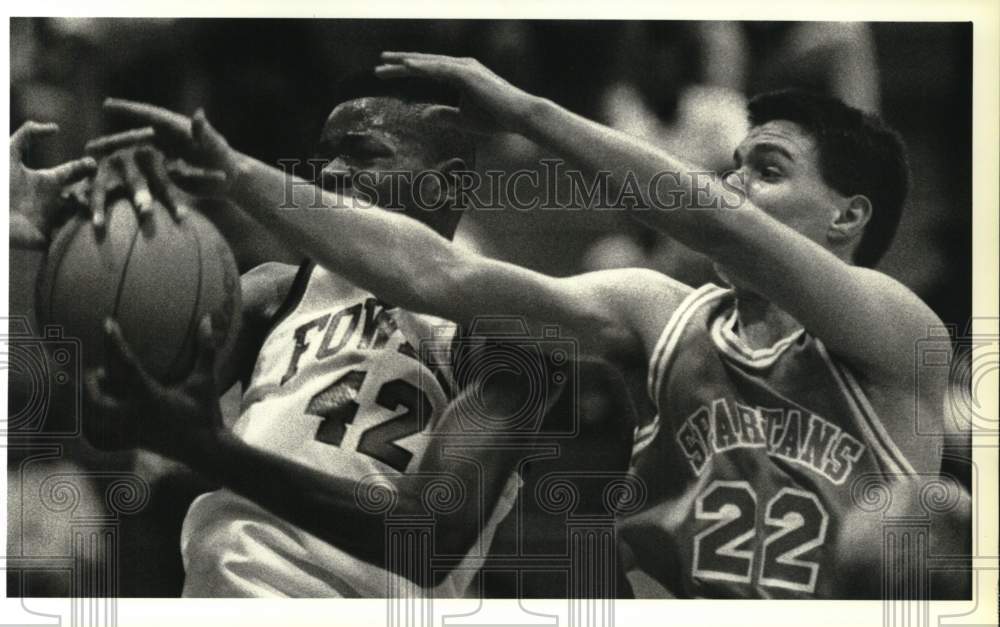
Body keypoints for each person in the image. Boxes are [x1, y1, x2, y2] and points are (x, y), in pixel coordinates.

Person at [100, 50, 949, 599]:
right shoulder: (662, 313)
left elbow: (714, 224)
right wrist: (235, 172)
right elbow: (440, 274)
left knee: (936, 526)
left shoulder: (900, 335)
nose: (732, 186)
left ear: (849, 216)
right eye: (731, 167)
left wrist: (526, 111)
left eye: (766, 169)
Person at [12, 77, 562, 599]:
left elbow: (431, 536)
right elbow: (108, 420)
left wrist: (216, 453)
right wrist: (71, 243)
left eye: (363, 153)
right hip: (225, 591)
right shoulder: (273, 292)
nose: (331, 172)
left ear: (448, 184)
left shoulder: (506, 326)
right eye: (326, 155)